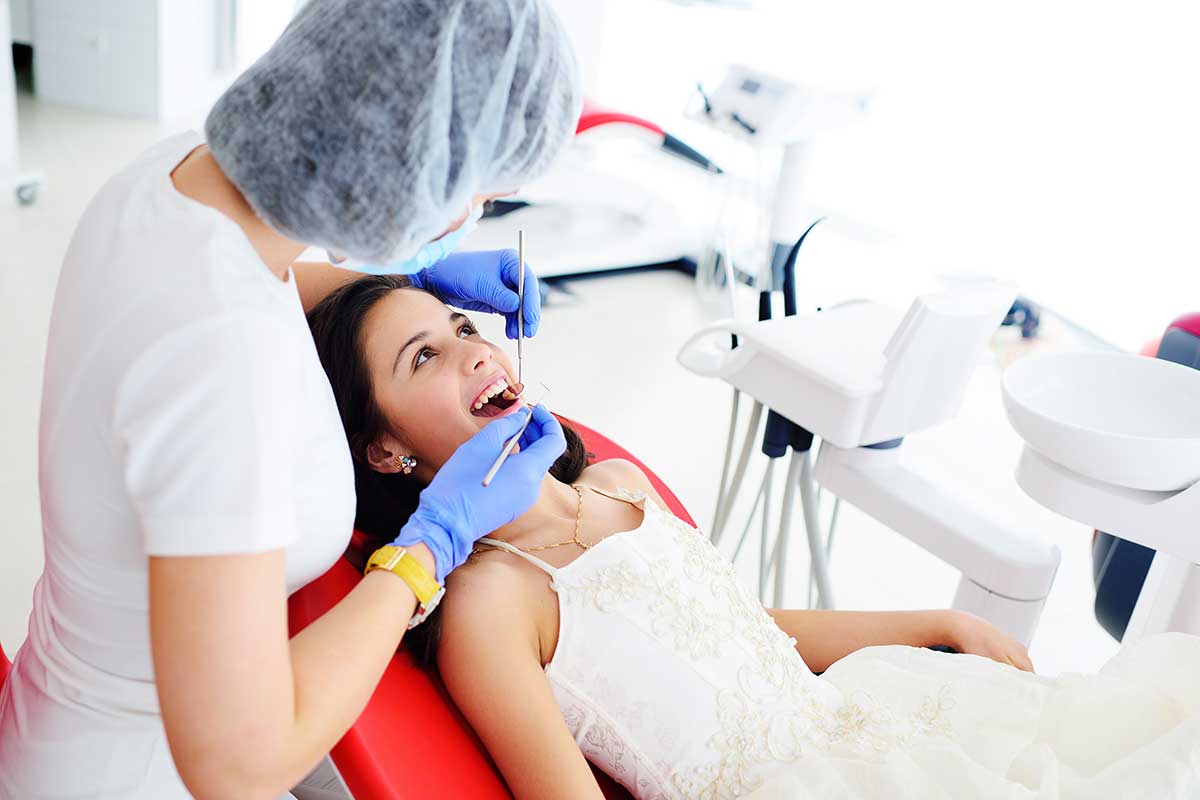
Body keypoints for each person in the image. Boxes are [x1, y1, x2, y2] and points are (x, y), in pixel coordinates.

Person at [307, 275, 1200, 800]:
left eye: (463, 325)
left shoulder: (615, 484)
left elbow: (741, 627)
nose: (471, 349)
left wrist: (930, 619)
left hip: (863, 723)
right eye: (421, 356)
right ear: (385, 449)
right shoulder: (490, 604)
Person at [0, 2, 581, 798]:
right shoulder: (215, 365)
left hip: (67, 708)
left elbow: (253, 286)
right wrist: (429, 549)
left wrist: (408, 286)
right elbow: (235, 764)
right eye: (472, 191)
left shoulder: (178, 178)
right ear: (399, 159)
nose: (463, 217)